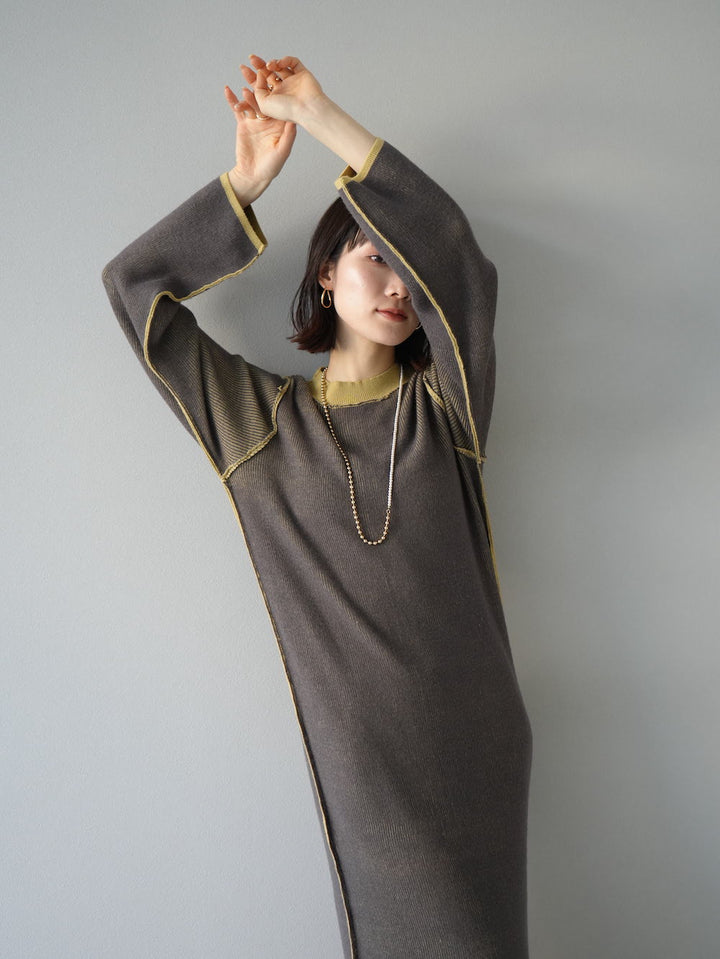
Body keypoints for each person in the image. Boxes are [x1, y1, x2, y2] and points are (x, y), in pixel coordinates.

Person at [103, 55, 532, 959]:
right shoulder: (256, 427)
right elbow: (133, 288)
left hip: (477, 744)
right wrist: (244, 185)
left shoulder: (444, 411)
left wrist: (324, 116)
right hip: (366, 769)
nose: (398, 286)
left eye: (407, 272)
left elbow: (459, 263)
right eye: (375, 258)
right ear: (328, 272)